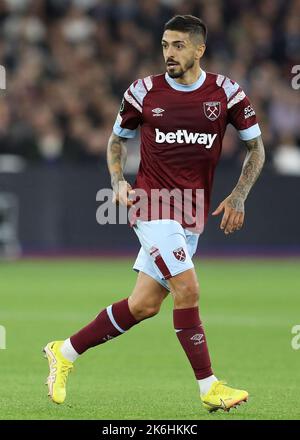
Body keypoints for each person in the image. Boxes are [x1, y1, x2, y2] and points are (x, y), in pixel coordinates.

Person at [44, 15, 265, 413]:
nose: (169, 53)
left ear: (200, 49)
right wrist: (117, 182)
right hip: (153, 205)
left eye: (178, 45)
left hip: (191, 213)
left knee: (143, 305)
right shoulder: (143, 92)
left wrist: (238, 196)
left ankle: (64, 351)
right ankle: (209, 387)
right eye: (165, 45)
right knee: (189, 289)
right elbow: (116, 141)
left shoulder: (227, 93)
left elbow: (257, 148)